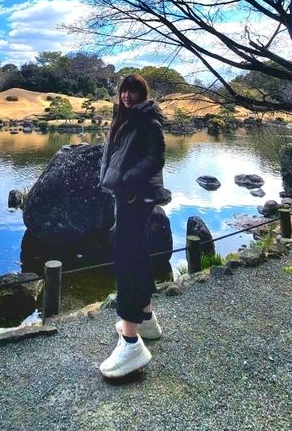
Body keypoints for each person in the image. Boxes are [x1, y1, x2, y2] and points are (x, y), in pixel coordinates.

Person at [98, 73, 171, 379]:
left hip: (134, 197)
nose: (127, 95)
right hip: (126, 196)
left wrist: (129, 180)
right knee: (138, 255)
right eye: (124, 90)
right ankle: (146, 317)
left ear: (142, 93)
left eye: (133, 90)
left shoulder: (146, 121)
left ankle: (131, 341)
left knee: (126, 260)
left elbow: (157, 158)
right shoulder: (125, 117)